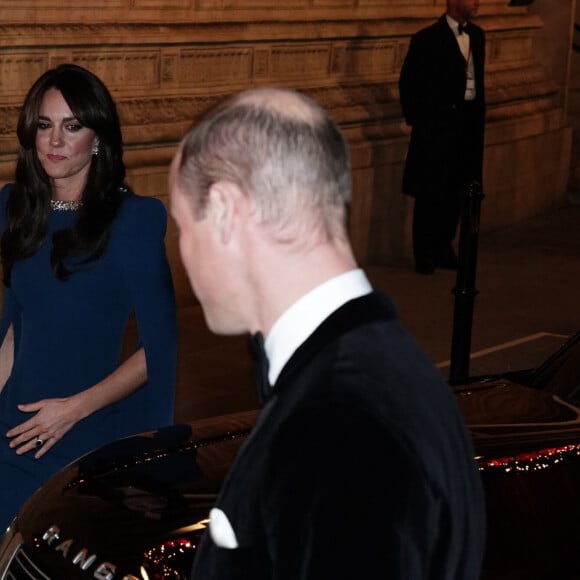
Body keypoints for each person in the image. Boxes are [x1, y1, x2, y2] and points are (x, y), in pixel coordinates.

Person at [169, 87, 486, 579]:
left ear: (227, 211)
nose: (182, 252)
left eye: (182, 225)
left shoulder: (336, 423)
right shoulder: (383, 366)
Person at [0, 64, 177, 528]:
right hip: (12, 424)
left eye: (72, 126)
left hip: (79, 433)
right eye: (44, 125)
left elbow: (158, 348)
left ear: (97, 137)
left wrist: (71, 411)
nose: (55, 141)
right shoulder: (14, 208)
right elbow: (17, 327)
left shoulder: (134, 220)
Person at [399, 0, 486, 274]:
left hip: (468, 125)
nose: (477, 2)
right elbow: (409, 83)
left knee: (459, 191)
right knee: (430, 191)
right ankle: (424, 253)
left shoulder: (478, 36)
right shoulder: (427, 39)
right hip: (437, 127)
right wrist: (424, 119)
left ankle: (444, 246)